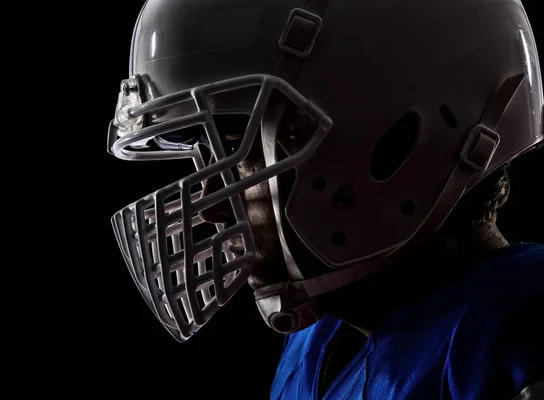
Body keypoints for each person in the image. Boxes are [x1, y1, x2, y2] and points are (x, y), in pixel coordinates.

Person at [107, 0, 544, 398]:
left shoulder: (518, 331)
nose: (208, 205)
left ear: (388, 138)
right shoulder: (317, 343)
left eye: (242, 148)